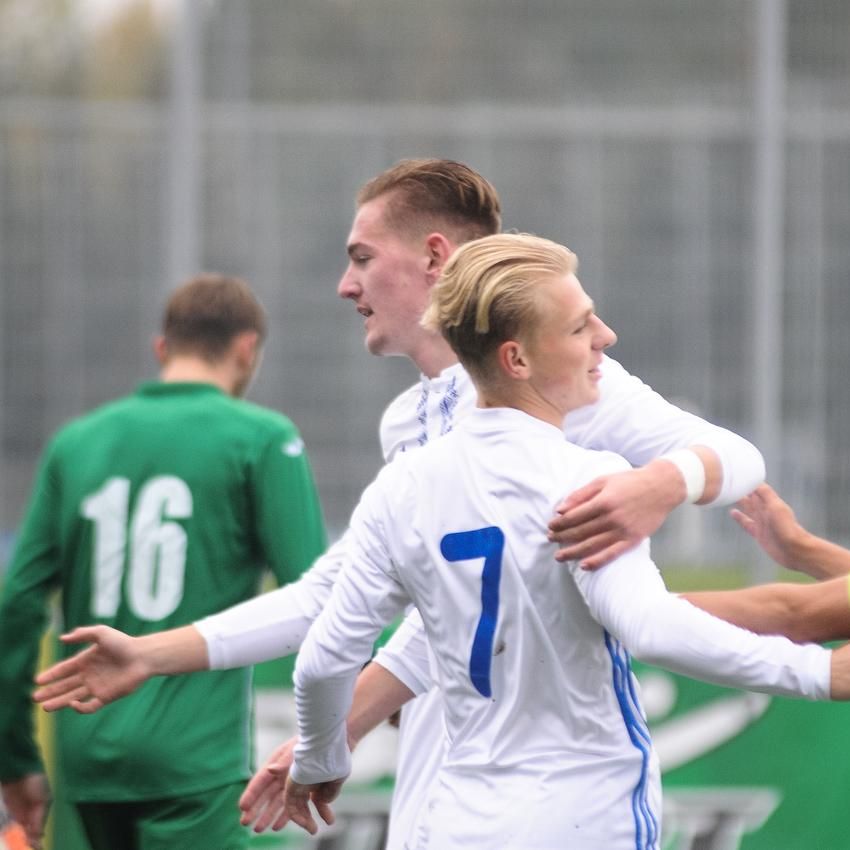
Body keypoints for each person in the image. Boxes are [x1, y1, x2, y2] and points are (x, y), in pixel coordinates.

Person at [34, 159, 772, 847]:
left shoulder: (574, 384)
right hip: (446, 785)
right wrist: (155, 658)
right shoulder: (409, 425)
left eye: (361, 258)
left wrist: (663, 483)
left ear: (434, 257)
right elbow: (331, 595)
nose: (344, 286)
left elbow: (740, 458)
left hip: (566, 798)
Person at [280, 233, 850, 849]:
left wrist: (318, 759)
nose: (605, 337)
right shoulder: (588, 480)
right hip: (587, 816)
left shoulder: (401, 488)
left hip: (459, 821)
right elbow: (652, 628)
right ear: (517, 360)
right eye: (580, 327)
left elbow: (323, 660)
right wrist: (818, 672)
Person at [0, 274, 327, 850]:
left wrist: (14, 757)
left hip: (85, 760)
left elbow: (17, 606)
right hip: (196, 766)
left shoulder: (75, 444)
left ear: (162, 349)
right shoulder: (261, 438)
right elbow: (323, 596)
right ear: (247, 348)